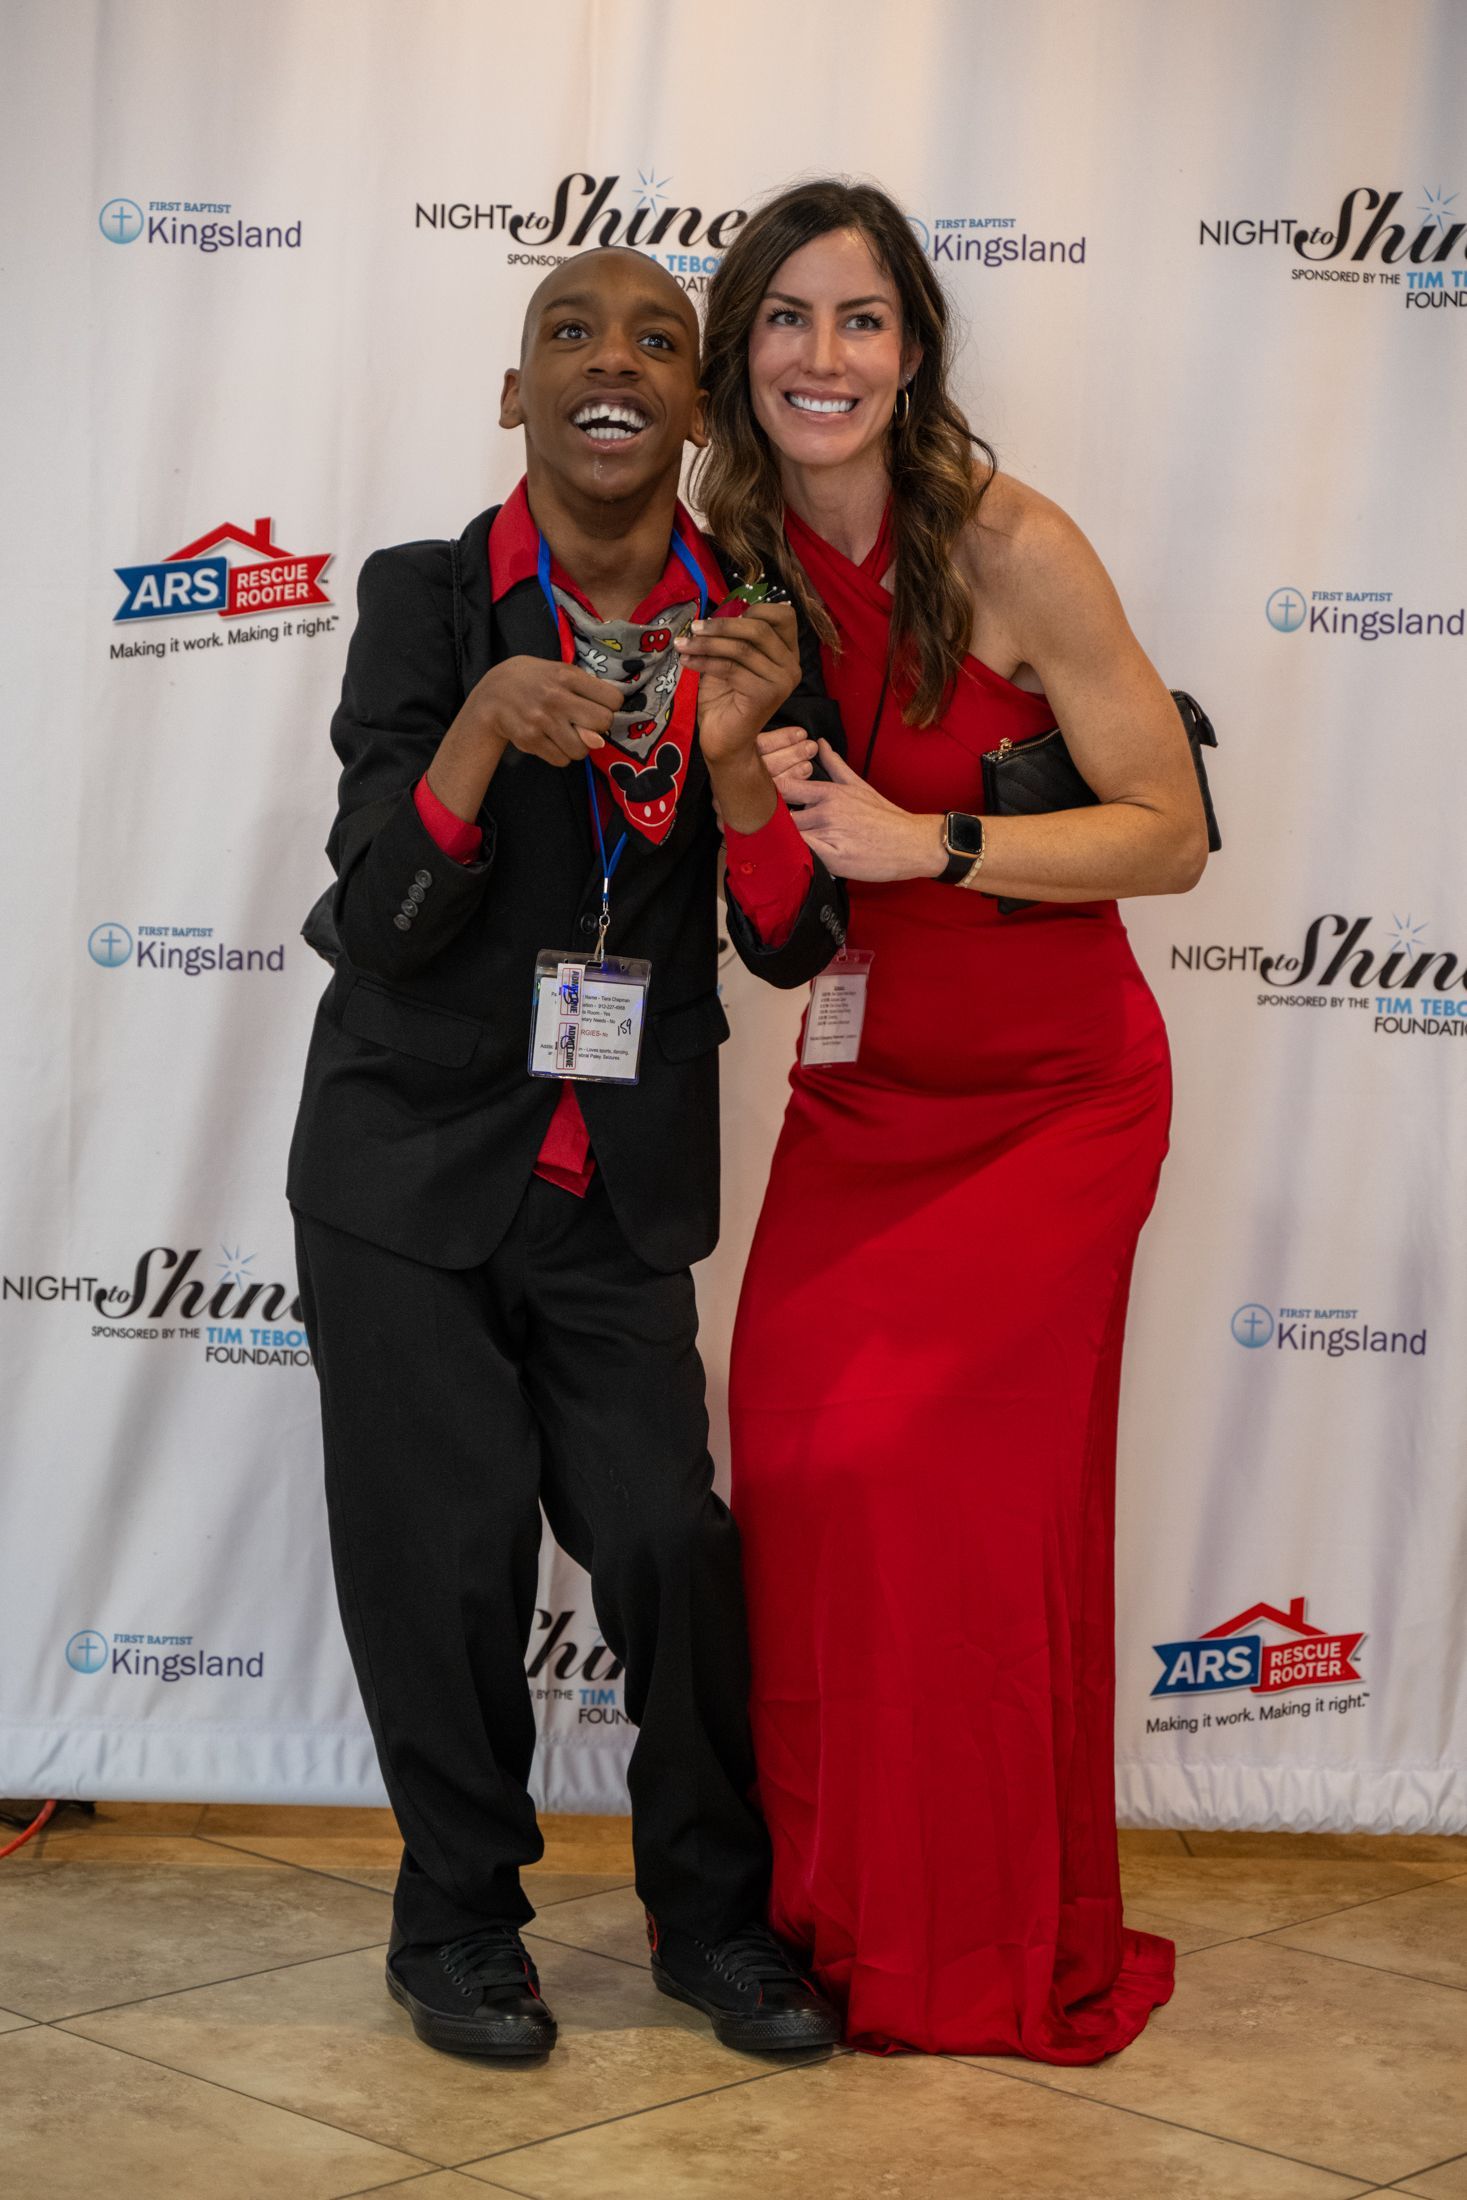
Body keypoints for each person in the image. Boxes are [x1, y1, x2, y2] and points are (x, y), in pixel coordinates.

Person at [287, 245, 846, 2061]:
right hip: (406, 1164)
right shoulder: (428, 598)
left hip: (617, 1174)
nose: (615, 360)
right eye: (570, 333)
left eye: (659, 339)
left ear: (696, 407)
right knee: (442, 1556)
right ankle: (457, 1920)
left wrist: (745, 756)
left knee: (668, 1540)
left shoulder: (755, 624)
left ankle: (715, 1920)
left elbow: (794, 944)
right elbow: (381, 920)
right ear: (514, 391)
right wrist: (477, 729)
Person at [700, 180, 1209, 2061]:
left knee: (963, 1522)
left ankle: (976, 1944)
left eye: (861, 319)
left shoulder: (1012, 542)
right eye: (786, 318)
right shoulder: (727, 560)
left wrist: (940, 842)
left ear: (913, 350)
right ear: (743, 351)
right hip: (863, 1094)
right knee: (808, 1475)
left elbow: (1168, 834)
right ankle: (830, 1927)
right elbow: (765, 891)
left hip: (1053, 1106)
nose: (822, 357)